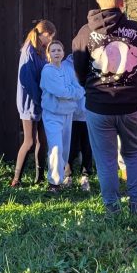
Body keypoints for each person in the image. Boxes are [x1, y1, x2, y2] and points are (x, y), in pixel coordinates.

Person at [72, 0, 137, 216]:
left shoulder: (86, 32)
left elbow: (79, 68)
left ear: (98, 0)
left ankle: (112, 210)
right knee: (134, 153)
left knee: (106, 159)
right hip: (131, 104)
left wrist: (91, 87)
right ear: (122, 2)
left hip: (99, 105)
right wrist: (136, 86)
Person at [12, 20, 53, 186]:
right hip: (29, 103)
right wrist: (38, 99)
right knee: (29, 141)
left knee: (42, 140)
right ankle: (16, 179)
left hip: (42, 102)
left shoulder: (41, 51)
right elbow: (27, 80)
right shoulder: (28, 51)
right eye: (49, 36)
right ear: (42, 34)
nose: (50, 40)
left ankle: (40, 177)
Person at [40, 40, 84, 192]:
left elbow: (79, 90)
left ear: (63, 52)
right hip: (53, 115)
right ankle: (53, 183)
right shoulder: (47, 71)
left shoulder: (68, 68)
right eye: (53, 50)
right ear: (49, 54)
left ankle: (61, 175)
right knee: (56, 147)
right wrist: (70, 91)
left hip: (68, 114)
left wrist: (70, 92)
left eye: (59, 50)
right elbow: (60, 91)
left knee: (65, 149)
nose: (57, 53)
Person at [66, 82, 93, 191]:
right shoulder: (66, 66)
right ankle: (68, 175)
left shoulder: (89, 67)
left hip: (87, 115)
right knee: (70, 147)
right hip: (71, 115)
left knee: (87, 147)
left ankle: (85, 176)